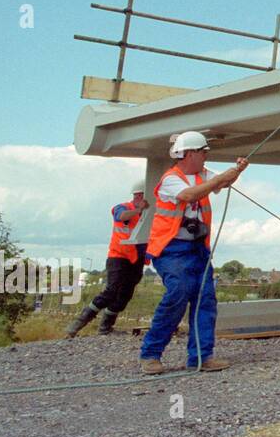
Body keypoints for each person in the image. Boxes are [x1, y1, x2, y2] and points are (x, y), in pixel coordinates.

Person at [138, 131, 247, 374]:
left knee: (205, 299)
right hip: (171, 250)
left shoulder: (202, 175)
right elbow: (190, 195)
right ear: (189, 154)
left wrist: (236, 172)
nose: (206, 155)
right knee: (179, 292)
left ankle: (201, 357)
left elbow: (221, 182)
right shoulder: (171, 179)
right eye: (203, 151)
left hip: (198, 249)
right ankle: (150, 354)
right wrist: (222, 178)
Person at [66, 181, 150, 338]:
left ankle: (105, 328)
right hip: (118, 256)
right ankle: (77, 325)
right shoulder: (123, 207)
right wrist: (139, 209)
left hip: (136, 259)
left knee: (125, 295)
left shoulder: (149, 213)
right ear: (139, 195)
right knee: (111, 291)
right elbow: (121, 216)